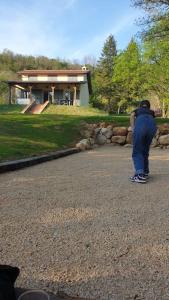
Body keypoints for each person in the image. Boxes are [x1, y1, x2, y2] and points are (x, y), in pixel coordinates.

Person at [130, 100, 157, 183]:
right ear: (148, 106)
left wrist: (133, 128)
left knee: (137, 150)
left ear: (140, 106)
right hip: (152, 126)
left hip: (141, 125)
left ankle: (139, 174)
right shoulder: (151, 112)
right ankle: (145, 172)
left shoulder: (137, 110)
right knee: (145, 150)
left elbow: (132, 115)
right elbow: (155, 116)